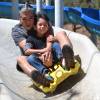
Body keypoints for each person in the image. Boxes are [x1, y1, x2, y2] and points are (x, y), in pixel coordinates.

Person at [12, 3, 75, 87]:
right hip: (35, 60)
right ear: (20, 19)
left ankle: (66, 59)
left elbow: (50, 37)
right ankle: (40, 77)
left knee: (61, 33)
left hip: (50, 54)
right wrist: (43, 56)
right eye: (24, 19)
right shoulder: (17, 31)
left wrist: (48, 50)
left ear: (34, 17)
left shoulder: (41, 22)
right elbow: (27, 49)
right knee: (20, 59)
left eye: (30, 18)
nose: (28, 22)